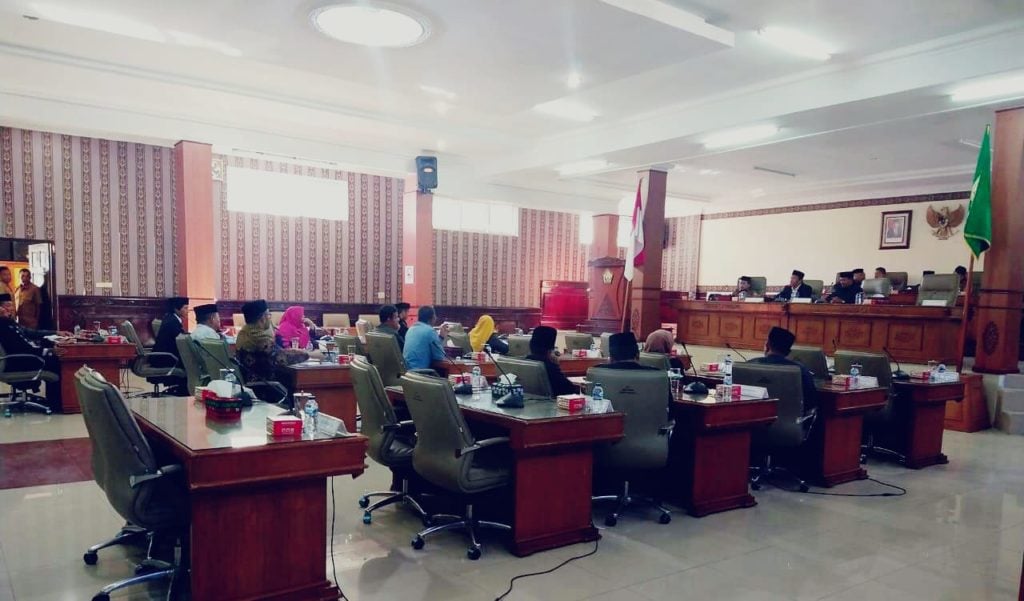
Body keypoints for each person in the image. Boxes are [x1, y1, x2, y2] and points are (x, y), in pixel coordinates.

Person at [0, 293, 61, 406]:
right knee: (57, 361)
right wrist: (46, 351)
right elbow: (19, 348)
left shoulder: (9, 323)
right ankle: (57, 403)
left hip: (21, 359)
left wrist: (55, 333)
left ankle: (53, 400)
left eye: (11, 305)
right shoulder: (3, 325)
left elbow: (30, 333)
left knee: (53, 357)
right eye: (7, 306)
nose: (11, 309)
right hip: (18, 363)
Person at [745, 326, 817, 414]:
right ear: (788, 352)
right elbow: (811, 402)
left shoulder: (747, 366)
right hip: (793, 421)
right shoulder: (801, 370)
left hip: (753, 419)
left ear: (767, 346)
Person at [235, 299, 309, 383]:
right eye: (268, 315)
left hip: (251, 383)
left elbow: (277, 351)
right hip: (265, 386)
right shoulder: (261, 340)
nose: (270, 318)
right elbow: (283, 357)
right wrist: (310, 354)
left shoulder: (245, 333)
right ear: (262, 318)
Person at [525, 325, 576, 396]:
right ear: (550, 348)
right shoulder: (549, 366)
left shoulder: (526, 361)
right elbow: (569, 389)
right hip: (553, 401)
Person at [403, 305, 448, 370]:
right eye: (435, 316)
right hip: (420, 372)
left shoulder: (410, 329)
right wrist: (442, 337)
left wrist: (440, 337)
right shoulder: (430, 331)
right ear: (432, 318)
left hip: (407, 372)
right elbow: (439, 356)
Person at [152, 296, 189, 371]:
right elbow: (180, 339)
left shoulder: (170, 318)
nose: (187, 311)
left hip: (163, 357)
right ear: (176, 309)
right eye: (185, 308)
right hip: (165, 359)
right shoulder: (172, 322)